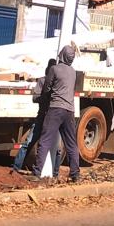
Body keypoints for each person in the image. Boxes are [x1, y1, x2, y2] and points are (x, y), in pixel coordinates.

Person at [33, 44, 80, 183]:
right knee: (71, 143)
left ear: (62, 55)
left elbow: (47, 89)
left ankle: (37, 173)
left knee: (45, 140)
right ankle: (75, 174)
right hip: (69, 111)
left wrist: (43, 100)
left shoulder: (54, 69)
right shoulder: (74, 72)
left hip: (55, 109)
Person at [18, 58, 59, 173]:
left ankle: (55, 172)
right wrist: (45, 97)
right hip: (42, 116)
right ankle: (17, 166)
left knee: (57, 148)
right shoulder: (42, 81)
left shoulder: (58, 84)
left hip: (53, 117)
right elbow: (35, 98)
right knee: (29, 142)